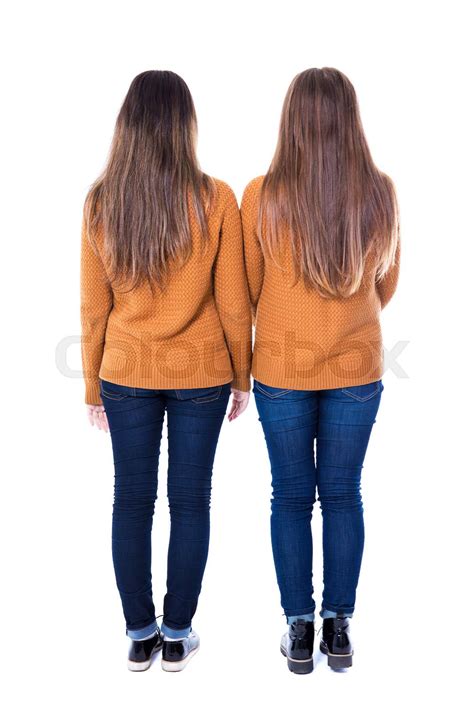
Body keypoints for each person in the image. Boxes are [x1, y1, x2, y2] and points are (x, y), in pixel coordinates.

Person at [80, 70, 252, 673]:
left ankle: (138, 633)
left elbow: (93, 306)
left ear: (126, 125)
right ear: (186, 126)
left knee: (131, 502)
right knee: (190, 501)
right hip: (203, 369)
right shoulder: (216, 198)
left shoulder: (102, 201)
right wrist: (242, 377)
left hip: (124, 369)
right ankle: (177, 634)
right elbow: (234, 302)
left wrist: (89, 386)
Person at [241, 67, 400, 674]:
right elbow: (384, 283)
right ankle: (339, 627)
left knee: (290, 495)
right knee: (342, 494)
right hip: (357, 367)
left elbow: (252, 289)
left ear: (292, 121)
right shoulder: (380, 191)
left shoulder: (262, 194)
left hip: (280, 368)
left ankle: (297, 629)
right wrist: (343, 315)